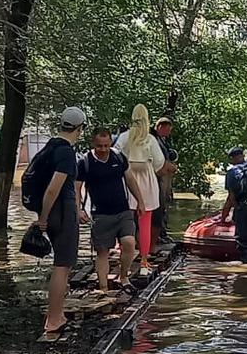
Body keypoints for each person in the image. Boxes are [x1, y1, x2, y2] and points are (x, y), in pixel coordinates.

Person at [76, 128, 146, 294]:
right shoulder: (85, 162)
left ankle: (124, 277)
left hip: (123, 210)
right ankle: (103, 288)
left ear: (110, 143)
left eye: (106, 145)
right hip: (100, 214)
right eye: (100, 146)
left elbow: (130, 179)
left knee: (129, 243)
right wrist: (78, 209)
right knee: (102, 252)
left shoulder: (118, 157)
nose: (103, 149)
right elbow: (76, 188)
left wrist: (140, 201)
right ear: (93, 143)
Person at [38, 107, 86, 335]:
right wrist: (43, 218)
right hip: (63, 211)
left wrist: (42, 215)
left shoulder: (49, 147)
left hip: (53, 212)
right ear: (80, 128)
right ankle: (54, 318)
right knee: (62, 265)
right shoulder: (66, 152)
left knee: (61, 263)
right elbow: (52, 189)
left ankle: (57, 313)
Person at [114, 104, 166, 269]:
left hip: (127, 180)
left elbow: (114, 155)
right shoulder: (150, 139)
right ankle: (144, 258)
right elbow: (159, 162)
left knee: (126, 221)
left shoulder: (124, 137)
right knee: (145, 222)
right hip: (147, 182)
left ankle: (123, 254)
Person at [150, 117, 178, 245]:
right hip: (158, 177)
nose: (169, 133)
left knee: (165, 203)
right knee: (159, 206)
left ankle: (162, 233)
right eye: (167, 130)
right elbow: (157, 160)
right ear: (160, 126)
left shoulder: (162, 140)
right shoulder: (153, 139)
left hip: (164, 177)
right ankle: (158, 235)